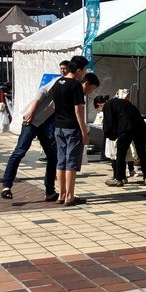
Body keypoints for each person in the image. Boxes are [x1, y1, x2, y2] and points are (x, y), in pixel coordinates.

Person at [0, 75, 61, 201]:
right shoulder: (59, 81)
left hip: (48, 124)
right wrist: (32, 111)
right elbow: (42, 92)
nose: (63, 71)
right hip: (32, 121)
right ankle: (6, 186)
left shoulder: (73, 87)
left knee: (53, 156)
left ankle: (50, 191)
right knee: (19, 151)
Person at [52, 58, 99, 207]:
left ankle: (61, 194)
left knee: (61, 161)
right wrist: (84, 132)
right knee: (71, 162)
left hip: (58, 126)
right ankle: (70, 196)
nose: (84, 73)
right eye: (84, 70)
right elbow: (78, 110)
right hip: (72, 127)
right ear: (78, 70)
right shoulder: (75, 86)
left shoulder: (57, 83)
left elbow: (54, 105)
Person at [93, 95, 146, 186]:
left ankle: (119, 179)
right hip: (139, 127)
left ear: (99, 105)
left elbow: (109, 123)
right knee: (142, 153)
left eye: (100, 110)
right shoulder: (120, 102)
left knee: (121, 154)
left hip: (126, 129)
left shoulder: (108, 105)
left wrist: (110, 136)